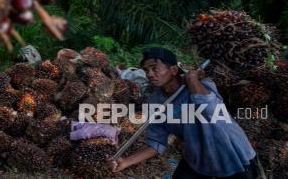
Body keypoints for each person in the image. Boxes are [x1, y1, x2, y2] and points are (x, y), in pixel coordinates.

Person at [110, 47, 257, 178]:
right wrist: (126, 162)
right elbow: (156, 143)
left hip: (231, 154)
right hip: (198, 159)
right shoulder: (155, 102)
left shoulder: (202, 85)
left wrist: (192, 80)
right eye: (147, 70)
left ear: (173, 70)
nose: (150, 74)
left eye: (155, 68)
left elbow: (211, 112)